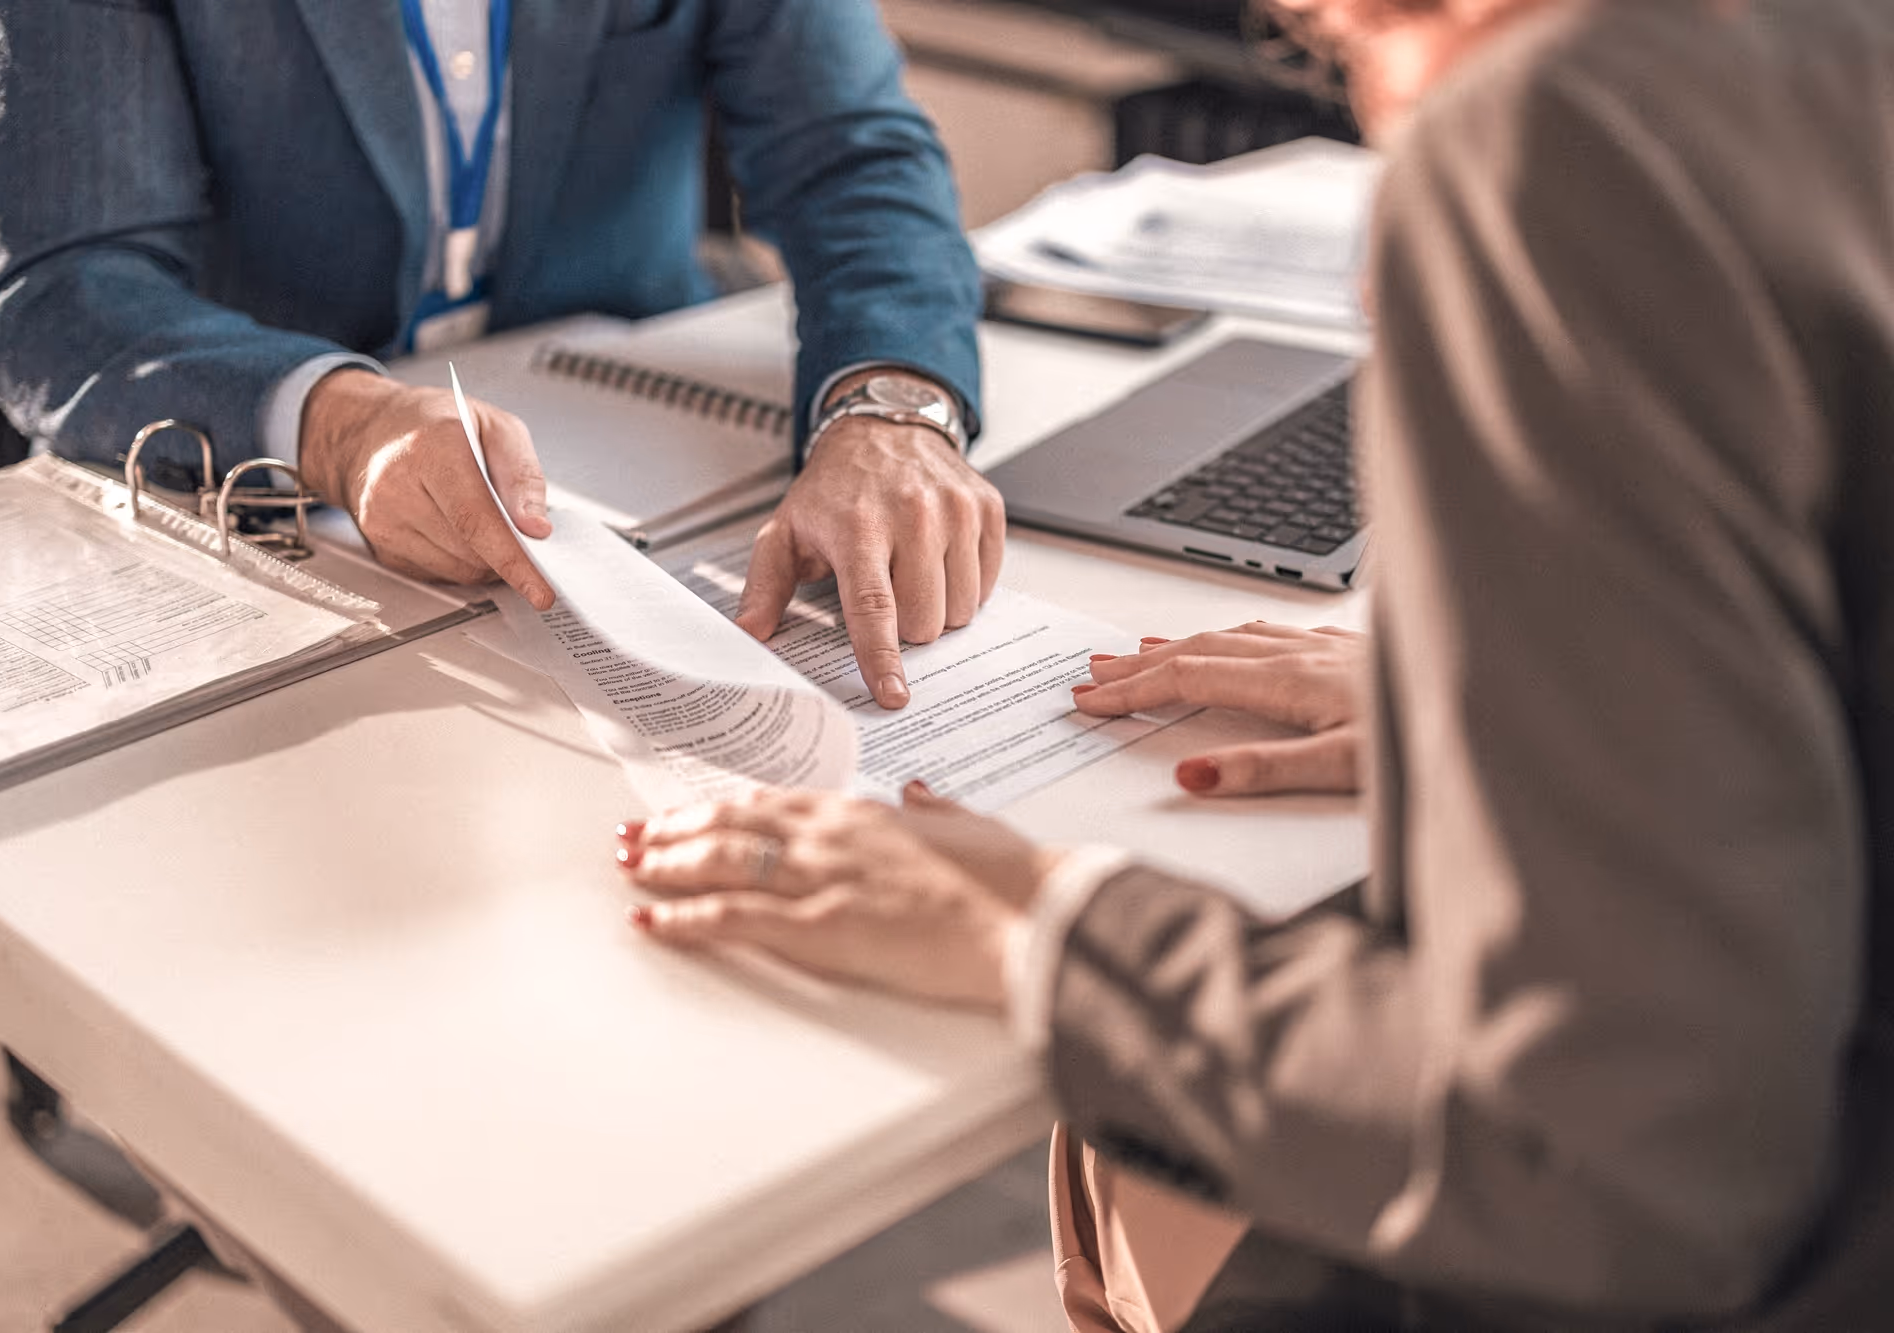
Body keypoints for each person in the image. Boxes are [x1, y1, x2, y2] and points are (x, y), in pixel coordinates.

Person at [613, 0, 1894, 1326]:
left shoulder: (1561, 139)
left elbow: (1611, 1160)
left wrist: (1040, 927)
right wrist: (1511, 695)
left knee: (1152, 1208)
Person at [0, 0, 1000, 710]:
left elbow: (852, 155)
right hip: (256, 515)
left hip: (652, 507)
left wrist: (890, 406)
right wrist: (341, 426)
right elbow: (71, 287)